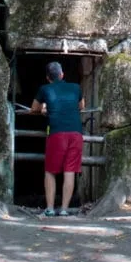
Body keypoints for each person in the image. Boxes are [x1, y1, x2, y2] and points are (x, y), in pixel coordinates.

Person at [30, 61, 85, 216]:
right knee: (70, 170)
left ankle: (50, 208)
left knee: (50, 171)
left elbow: (34, 108)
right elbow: (81, 106)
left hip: (57, 133)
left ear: (48, 77)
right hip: (76, 133)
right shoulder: (76, 88)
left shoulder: (45, 89)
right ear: (62, 75)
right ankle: (64, 210)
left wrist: (44, 109)